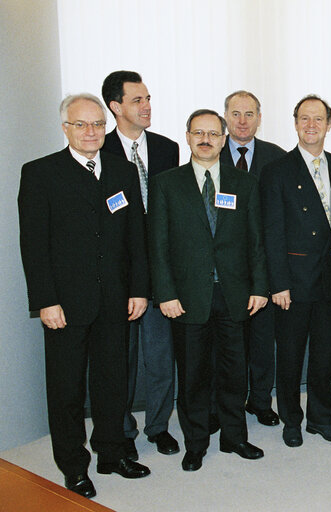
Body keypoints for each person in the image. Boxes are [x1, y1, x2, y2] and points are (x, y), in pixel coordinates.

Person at [18, 93, 151, 498]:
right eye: (81, 125)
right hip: (65, 304)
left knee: (112, 382)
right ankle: (74, 465)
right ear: (65, 128)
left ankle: (112, 452)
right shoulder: (41, 173)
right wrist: (45, 300)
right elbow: (34, 244)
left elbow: (135, 237)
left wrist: (139, 290)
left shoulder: (122, 170)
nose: (91, 132)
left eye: (97, 124)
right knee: (67, 389)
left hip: (115, 299)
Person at [148, 109, 269, 471]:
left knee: (235, 372)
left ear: (224, 138)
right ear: (187, 136)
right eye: (198, 133)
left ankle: (235, 438)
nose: (206, 139)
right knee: (193, 375)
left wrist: (260, 287)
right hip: (186, 299)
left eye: (213, 134)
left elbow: (256, 242)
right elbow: (158, 245)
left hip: (234, 295)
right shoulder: (167, 184)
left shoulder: (243, 182)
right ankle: (196, 443)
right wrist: (165, 294)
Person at [101, 70, 180, 460]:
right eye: (137, 100)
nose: (147, 106)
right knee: (122, 359)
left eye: (148, 98)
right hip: (119, 276)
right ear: (115, 107)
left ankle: (159, 426)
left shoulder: (168, 149)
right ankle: (122, 430)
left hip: (162, 271)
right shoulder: (100, 152)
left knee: (161, 355)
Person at [260, 95, 331, 448]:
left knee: (326, 355)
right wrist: (278, 283)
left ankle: (321, 419)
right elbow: (271, 232)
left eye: (319, 119)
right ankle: (291, 420)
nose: (312, 125)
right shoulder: (277, 170)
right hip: (293, 282)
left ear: (328, 124)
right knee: (291, 356)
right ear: (295, 124)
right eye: (304, 119)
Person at [221, 90, 286, 426]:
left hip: (265, 266)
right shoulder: (210, 154)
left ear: (260, 117)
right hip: (225, 269)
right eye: (236, 114)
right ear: (226, 117)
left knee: (263, 341)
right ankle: (227, 403)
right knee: (228, 343)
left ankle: (260, 400)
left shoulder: (277, 158)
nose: (243, 121)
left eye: (249, 114)